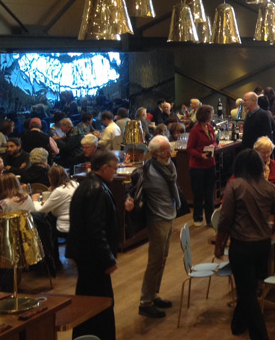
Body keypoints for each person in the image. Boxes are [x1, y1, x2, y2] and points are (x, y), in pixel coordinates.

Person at [215, 149, 275, 340]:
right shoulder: (269, 188)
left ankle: (260, 335)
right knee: (251, 286)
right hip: (263, 245)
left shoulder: (235, 186)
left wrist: (219, 244)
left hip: (242, 244)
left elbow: (226, 219)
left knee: (246, 292)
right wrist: (270, 233)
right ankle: (238, 325)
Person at [125, 136, 180, 318]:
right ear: (155, 154)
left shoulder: (169, 166)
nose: (169, 153)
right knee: (155, 260)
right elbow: (133, 190)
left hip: (169, 214)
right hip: (157, 219)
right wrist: (130, 201)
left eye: (169, 149)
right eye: (165, 150)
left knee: (163, 258)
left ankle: (154, 294)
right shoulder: (146, 171)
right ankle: (145, 302)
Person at [67, 149, 119, 340]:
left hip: (86, 256)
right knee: (101, 303)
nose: (116, 171)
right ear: (104, 168)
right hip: (94, 258)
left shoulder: (86, 185)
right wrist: (108, 259)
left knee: (86, 302)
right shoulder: (97, 189)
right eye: (114, 168)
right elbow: (96, 229)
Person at [32, 166, 78, 273]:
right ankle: (55, 262)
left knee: (44, 227)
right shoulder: (74, 184)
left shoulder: (59, 191)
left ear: (51, 178)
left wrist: (34, 200)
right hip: (77, 223)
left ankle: (52, 263)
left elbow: (41, 210)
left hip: (65, 226)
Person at [187, 105, 217, 227]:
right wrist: (200, 155)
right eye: (211, 114)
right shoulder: (195, 130)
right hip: (198, 167)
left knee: (210, 193)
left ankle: (210, 218)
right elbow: (189, 148)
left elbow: (215, 141)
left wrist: (214, 146)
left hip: (210, 164)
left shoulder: (210, 128)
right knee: (199, 193)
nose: (212, 116)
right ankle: (198, 217)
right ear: (206, 116)